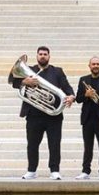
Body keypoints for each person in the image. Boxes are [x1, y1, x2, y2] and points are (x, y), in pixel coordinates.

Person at [9, 46, 75, 180]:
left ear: (49, 56)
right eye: (40, 54)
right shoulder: (30, 70)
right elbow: (13, 81)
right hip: (33, 114)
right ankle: (31, 170)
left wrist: (71, 96)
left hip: (54, 115)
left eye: (45, 54)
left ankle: (54, 170)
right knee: (32, 144)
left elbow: (67, 87)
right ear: (37, 56)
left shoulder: (57, 71)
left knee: (55, 144)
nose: (43, 56)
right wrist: (24, 81)